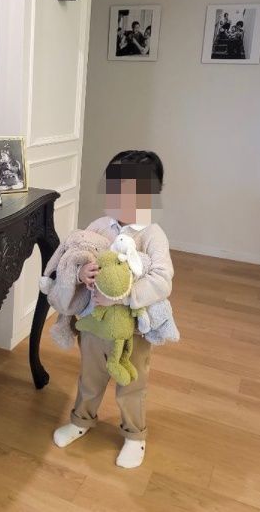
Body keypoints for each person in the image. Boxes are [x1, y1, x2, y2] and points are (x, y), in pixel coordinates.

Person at [53, 150, 174, 469]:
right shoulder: (98, 226)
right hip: (93, 323)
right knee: (89, 378)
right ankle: (81, 419)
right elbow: (77, 254)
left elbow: (162, 281)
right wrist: (81, 273)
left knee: (131, 384)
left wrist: (123, 296)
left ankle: (135, 435)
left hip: (132, 331)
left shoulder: (152, 235)